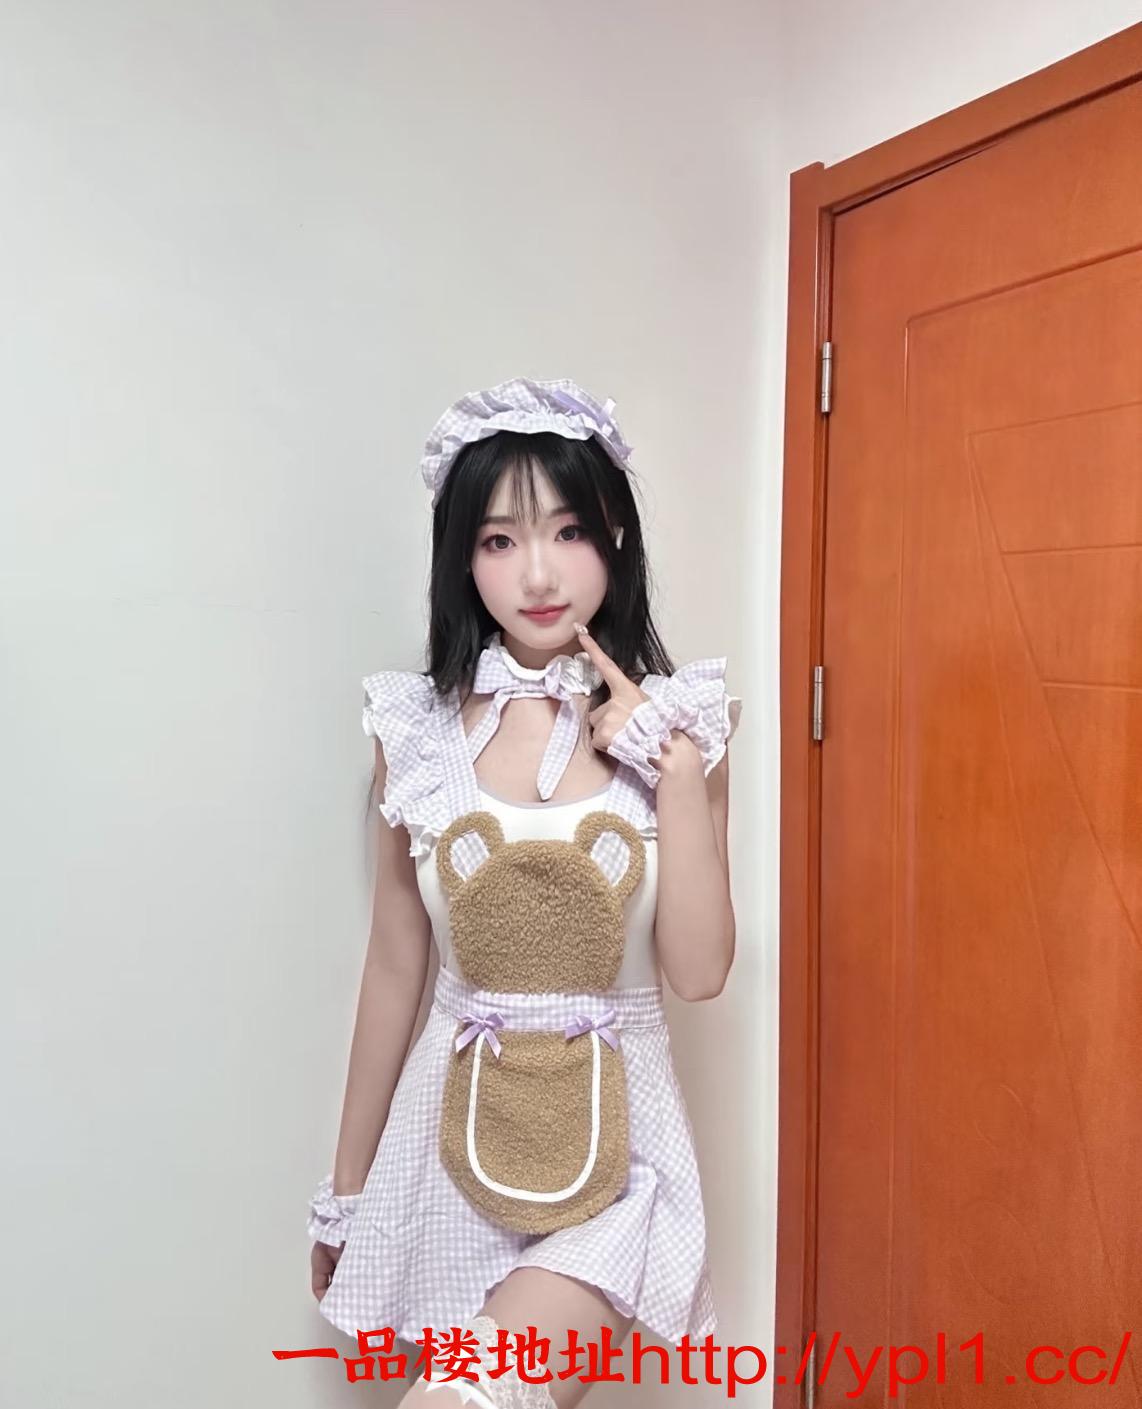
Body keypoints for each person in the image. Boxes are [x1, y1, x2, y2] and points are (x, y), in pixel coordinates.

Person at [305, 377, 743, 1407]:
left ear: (616, 537)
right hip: (443, 1144)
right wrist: (347, 1191)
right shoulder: (417, 732)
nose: (537, 573)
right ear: (461, 559)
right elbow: (394, 969)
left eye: (568, 531)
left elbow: (697, 972)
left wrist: (674, 771)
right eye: (499, 540)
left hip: (615, 1159)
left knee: (466, 1400)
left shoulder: (682, 731)